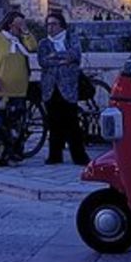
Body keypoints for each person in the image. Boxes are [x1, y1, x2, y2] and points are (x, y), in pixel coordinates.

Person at [0, 10, 37, 166]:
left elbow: (33, 47)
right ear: (10, 23)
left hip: (19, 89)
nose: (21, 26)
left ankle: (13, 155)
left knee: (16, 126)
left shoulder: (22, 40)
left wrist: (25, 32)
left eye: (22, 23)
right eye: (19, 23)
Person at [38, 11, 90, 166]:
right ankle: (55, 155)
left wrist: (55, 56)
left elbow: (75, 56)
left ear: (61, 25)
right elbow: (43, 61)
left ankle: (79, 156)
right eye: (48, 24)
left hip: (68, 87)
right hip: (50, 88)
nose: (50, 28)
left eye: (54, 24)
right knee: (54, 123)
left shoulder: (71, 39)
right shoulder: (43, 43)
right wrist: (62, 59)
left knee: (72, 123)